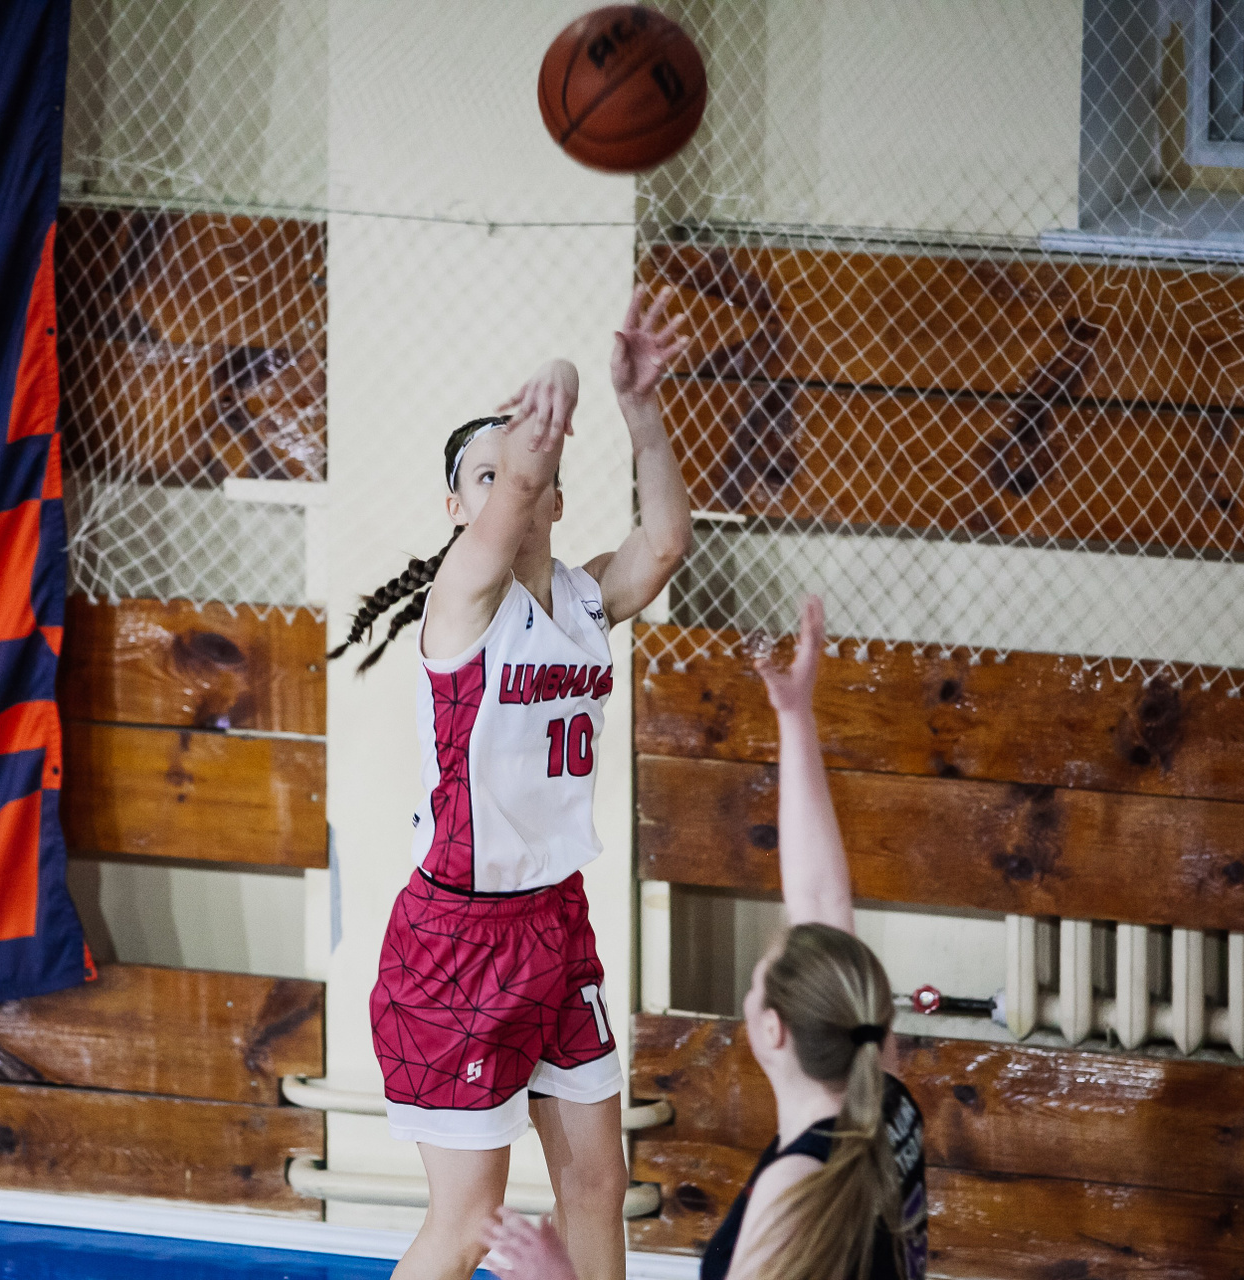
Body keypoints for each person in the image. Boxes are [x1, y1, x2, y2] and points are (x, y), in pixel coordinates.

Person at [328, 287, 691, 1280]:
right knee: (470, 1221)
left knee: (597, 1184)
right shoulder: (461, 600)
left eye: (528, 475)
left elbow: (665, 541)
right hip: (456, 941)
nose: (513, 486)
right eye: (483, 478)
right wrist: (562, 379)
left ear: (561, 502)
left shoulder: (583, 598)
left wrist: (639, 407)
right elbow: (522, 474)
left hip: (554, 920)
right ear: (457, 510)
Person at [480, 596, 928, 1280]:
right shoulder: (887, 1104)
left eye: (757, 981)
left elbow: (822, 909)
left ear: (773, 1030)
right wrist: (795, 717)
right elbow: (820, 901)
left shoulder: (792, 1195)